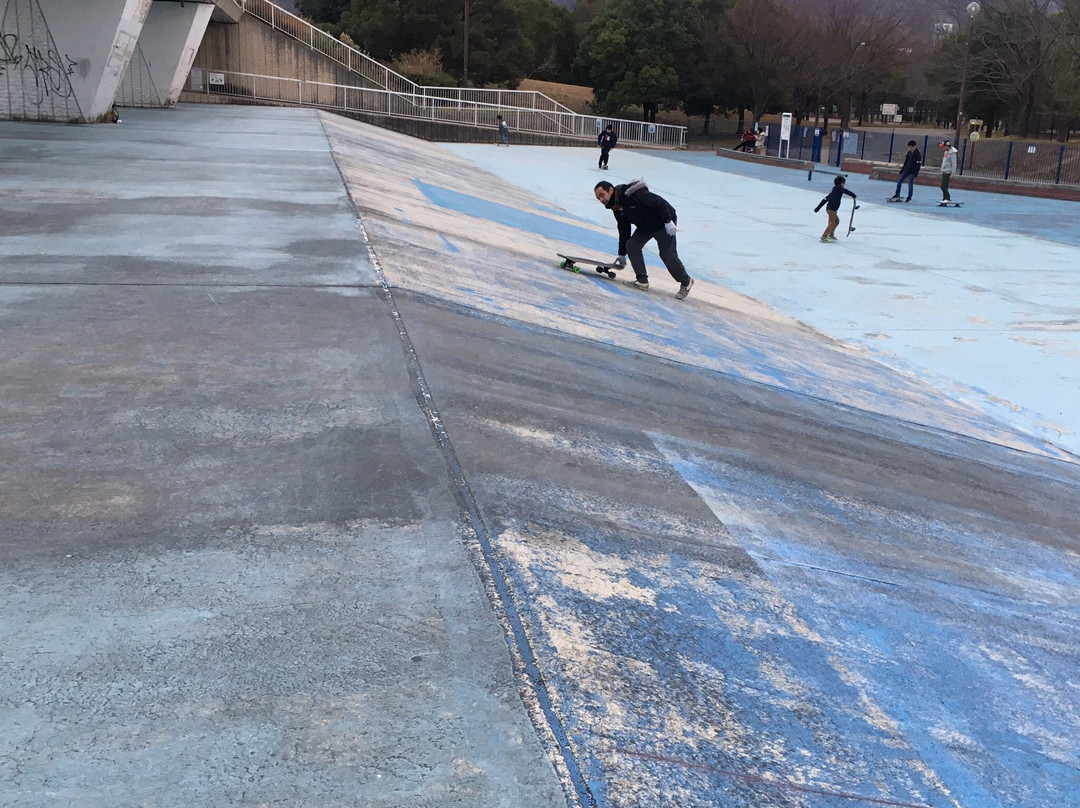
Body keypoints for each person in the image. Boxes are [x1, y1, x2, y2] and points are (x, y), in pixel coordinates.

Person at [593, 179, 694, 299]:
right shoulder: (616, 207)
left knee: (667, 255)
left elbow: (659, 202)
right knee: (632, 245)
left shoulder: (632, 194)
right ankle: (642, 281)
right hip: (645, 226)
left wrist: (668, 221)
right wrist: (622, 254)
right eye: (598, 198)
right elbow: (624, 230)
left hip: (663, 223)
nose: (601, 200)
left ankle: (686, 281)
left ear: (610, 190)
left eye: (602, 195)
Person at [814, 175, 857, 242]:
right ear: (842, 183)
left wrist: (818, 208)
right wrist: (853, 195)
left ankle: (831, 234)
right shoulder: (839, 189)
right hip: (832, 210)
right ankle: (824, 236)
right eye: (844, 183)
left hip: (831, 209)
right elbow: (846, 191)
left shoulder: (834, 191)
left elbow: (825, 199)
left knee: (836, 221)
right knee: (831, 223)